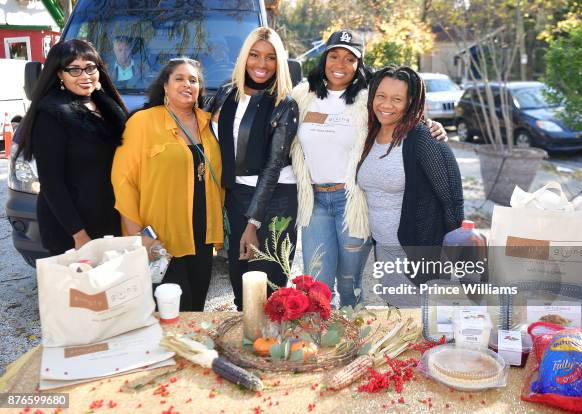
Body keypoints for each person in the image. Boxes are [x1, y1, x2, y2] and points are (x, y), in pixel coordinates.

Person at [290, 30, 448, 307]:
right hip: (314, 201)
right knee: (316, 282)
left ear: (359, 64)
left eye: (350, 59)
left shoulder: (368, 99)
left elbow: (399, 112)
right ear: (324, 58)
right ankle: (318, 341)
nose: (340, 65)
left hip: (352, 202)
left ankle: (350, 339)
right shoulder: (303, 96)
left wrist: (432, 125)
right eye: (334, 56)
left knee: (349, 282)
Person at [112, 58, 224, 311]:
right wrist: (138, 234)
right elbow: (123, 180)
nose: (187, 84)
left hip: (202, 235)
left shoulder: (209, 124)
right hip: (161, 236)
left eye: (193, 80)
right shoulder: (142, 122)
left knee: (196, 308)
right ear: (165, 85)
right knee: (170, 311)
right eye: (179, 78)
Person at [206, 27, 299, 311]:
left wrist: (252, 223)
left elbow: (272, 167)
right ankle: (243, 349)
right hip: (236, 195)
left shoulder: (285, 103)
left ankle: (269, 350)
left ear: (279, 62)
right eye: (255, 55)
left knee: (268, 289)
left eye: (271, 57)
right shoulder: (224, 93)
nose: (262, 64)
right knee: (240, 282)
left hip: (274, 199)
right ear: (244, 56)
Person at [356, 66, 464, 306]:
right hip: (384, 250)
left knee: (422, 325)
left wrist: (456, 256)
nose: (386, 105)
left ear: (410, 102)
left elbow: (452, 198)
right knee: (397, 316)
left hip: (417, 252)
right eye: (381, 96)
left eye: (397, 99)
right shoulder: (369, 134)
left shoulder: (423, 138)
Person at [16, 39, 127, 255]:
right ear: (59, 74)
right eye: (74, 70)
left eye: (90, 67)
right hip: (73, 230)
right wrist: (80, 236)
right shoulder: (51, 115)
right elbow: (52, 183)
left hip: (108, 217)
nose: (85, 76)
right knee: (80, 288)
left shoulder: (105, 104)